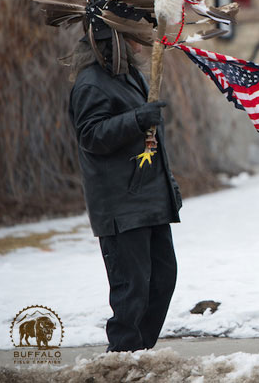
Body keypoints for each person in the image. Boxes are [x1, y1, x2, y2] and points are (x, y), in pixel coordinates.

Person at [69, 26, 181, 352]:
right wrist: (136, 119)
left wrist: (168, 187)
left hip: (149, 200)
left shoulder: (129, 75)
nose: (140, 42)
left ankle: (139, 355)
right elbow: (90, 135)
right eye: (132, 36)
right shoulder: (90, 83)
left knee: (162, 280)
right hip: (120, 205)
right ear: (113, 40)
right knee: (131, 291)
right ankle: (121, 359)